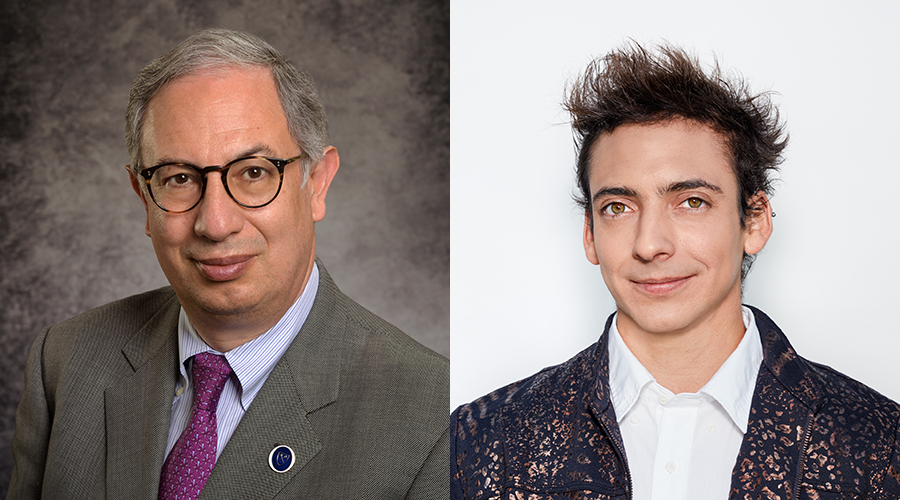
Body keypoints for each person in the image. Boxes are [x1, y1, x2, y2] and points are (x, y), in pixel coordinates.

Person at [7, 28, 448, 500]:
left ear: (316, 183)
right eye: (179, 178)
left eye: (254, 173)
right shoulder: (66, 360)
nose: (215, 223)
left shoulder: (434, 420)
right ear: (144, 199)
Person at [451, 43, 900, 499]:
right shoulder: (479, 442)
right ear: (590, 234)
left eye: (691, 202)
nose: (649, 244)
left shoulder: (881, 445)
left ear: (755, 220)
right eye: (618, 207)